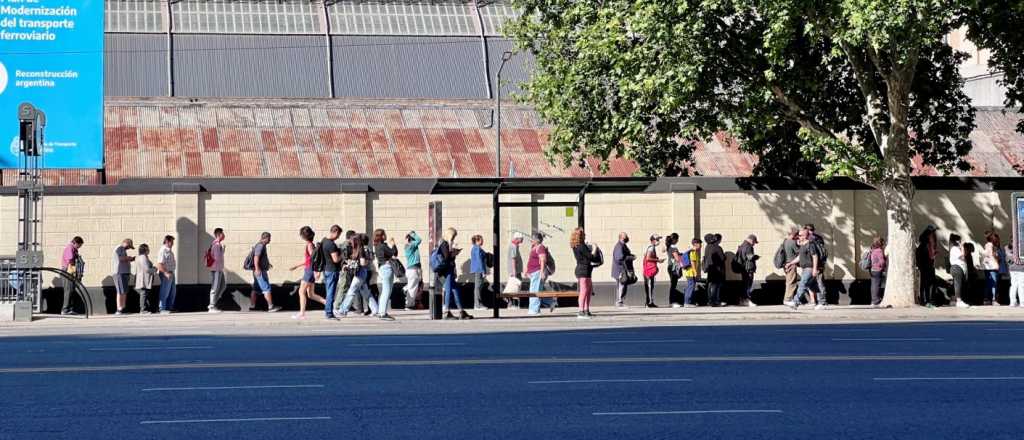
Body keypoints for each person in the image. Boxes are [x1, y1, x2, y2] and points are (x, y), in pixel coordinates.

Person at [338, 233, 379, 318]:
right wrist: (349, 265)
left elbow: (363, 263)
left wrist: (353, 264)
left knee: (351, 291)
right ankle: (375, 310)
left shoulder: (361, 250)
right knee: (366, 293)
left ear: (356, 241)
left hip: (360, 273)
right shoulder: (356, 250)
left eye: (352, 241)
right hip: (360, 273)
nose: (350, 242)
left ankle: (343, 310)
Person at [291, 226, 325, 320]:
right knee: (311, 294)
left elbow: (314, 260)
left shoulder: (309, 245)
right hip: (310, 270)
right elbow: (309, 260)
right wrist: (296, 266)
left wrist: (316, 272)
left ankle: (302, 314)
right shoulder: (311, 244)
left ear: (303, 236)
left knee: (301, 291)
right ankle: (329, 304)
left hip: (309, 271)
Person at [438, 228, 472, 320]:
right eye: (453, 236)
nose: (454, 238)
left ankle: (461, 311)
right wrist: (454, 253)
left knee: (456, 289)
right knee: (448, 289)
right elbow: (446, 258)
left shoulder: (446, 244)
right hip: (447, 270)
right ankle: (446, 312)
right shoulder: (444, 243)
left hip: (450, 269)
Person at [571, 228, 601, 319]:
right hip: (583, 270)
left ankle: (586, 310)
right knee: (584, 291)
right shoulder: (581, 246)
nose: (585, 235)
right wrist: (595, 248)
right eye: (583, 234)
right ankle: (581, 311)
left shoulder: (576, 245)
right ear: (580, 235)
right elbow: (590, 257)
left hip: (584, 269)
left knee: (588, 291)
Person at [789, 229, 821, 310]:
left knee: (802, 284)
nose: (798, 237)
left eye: (800, 235)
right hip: (804, 269)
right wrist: (791, 263)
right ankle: (820, 302)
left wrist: (814, 269)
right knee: (812, 286)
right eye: (798, 235)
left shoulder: (810, 245)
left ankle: (795, 302)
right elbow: (799, 257)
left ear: (805, 236)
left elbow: (815, 256)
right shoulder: (803, 245)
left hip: (809, 268)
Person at [250, 232, 281, 313]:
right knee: (266, 288)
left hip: (259, 270)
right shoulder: (260, 245)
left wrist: (267, 264)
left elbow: (260, 258)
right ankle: (271, 307)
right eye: (269, 238)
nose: (270, 240)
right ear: (266, 238)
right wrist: (257, 269)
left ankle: (252, 306)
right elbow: (256, 257)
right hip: (260, 271)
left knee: (256, 289)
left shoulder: (260, 245)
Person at [372, 229, 399, 320]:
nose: (386, 236)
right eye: (384, 234)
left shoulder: (377, 246)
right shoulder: (382, 246)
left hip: (382, 268)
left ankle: (381, 311)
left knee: (385, 291)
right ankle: (382, 313)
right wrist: (393, 244)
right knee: (387, 291)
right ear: (381, 236)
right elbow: (394, 253)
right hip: (386, 268)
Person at [526, 232, 555, 315]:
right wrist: (527, 270)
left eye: (532, 239)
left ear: (537, 240)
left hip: (538, 271)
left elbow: (543, 260)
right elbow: (530, 260)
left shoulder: (540, 247)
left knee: (535, 290)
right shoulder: (534, 247)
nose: (531, 240)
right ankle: (549, 302)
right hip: (533, 272)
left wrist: (542, 272)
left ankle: (534, 310)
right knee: (535, 290)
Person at [321, 225, 344, 319]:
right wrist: (342, 254)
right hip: (332, 270)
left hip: (326, 269)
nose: (338, 237)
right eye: (338, 234)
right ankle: (329, 312)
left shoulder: (323, 241)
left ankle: (328, 311)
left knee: (328, 291)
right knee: (331, 292)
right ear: (335, 232)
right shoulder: (331, 244)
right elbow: (336, 259)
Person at [333, 230, 357, 315]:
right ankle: (337, 306)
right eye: (354, 237)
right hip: (346, 269)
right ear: (350, 237)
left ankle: (343, 305)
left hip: (345, 269)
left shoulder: (344, 245)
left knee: (345, 287)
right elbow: (345, 258)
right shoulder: (346, 246)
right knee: (343, 288)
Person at [60, 236, 84, 315]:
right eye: (79, 245)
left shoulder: (74, 249)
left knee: (72, 290)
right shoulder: (70, 248)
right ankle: (65, 309)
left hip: (71, 271)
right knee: (68, 290)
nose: (79, 247)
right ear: (76, 243)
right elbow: (70, 260)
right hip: (68, 271)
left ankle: (70, 308)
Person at [915, 225, 938, 307]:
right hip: (927, 267)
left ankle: (925, 299)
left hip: (925, 266)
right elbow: (929, 257)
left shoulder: (922, 246)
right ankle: (926, 300)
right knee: (927, 284)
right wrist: (933, 256)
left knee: (925, 283)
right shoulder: (926, 246)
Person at [112, 238, 136, 315]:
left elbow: (123, 258)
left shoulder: (123, 249)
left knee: (124, 291)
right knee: (120, 291)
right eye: (129, 246)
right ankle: (119, 308)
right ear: (126, 243)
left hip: (124, 272)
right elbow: (121, 258)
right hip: (119, 273)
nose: (128, 248)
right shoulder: (119, 248)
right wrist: (129, 258)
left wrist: (129, 259)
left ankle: (123, 307)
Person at [611, 232, 635, 308]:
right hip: (620, 270)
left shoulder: (623, 245)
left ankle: (620, 301)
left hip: (623, 269)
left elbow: (624, 255)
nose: (627, 237)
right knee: (621, 285)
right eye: (626, 236)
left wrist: (631, 256)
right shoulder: (619, 246)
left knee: (623, 285)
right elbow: (619, 258)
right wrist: (630, 257)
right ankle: (619, 302)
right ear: (621, 237)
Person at [642, 234, 665, 308]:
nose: (659, 241)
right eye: (657, 239)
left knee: (650, 286)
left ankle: (650, 302)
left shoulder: (652, 248)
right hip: (648, 270)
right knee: (649, 286)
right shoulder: (651, 248)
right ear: (653, 240)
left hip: (649, 270)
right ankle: (649, 303)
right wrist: (658, 260)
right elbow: (648, 258)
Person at [702, 233, 725, 306]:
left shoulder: (707, 247)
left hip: (709, 268)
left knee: (710, 285)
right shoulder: (717, 247)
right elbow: (722, 258)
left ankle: (709, 301)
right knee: (716, 285)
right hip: (717, 269)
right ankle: (715, 301)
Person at [156, 235, 177, 314]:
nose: (173, 243)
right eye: (172, 241)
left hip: (171, 272)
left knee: (172, 292)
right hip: (166, 273)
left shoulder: (169, 251)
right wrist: (165, 273)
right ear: (167, 242)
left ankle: (169, 307)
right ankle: (162, 308)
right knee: (165, 291)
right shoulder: (163, 251)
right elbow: (159, 264)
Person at [207, 228, 226, 313]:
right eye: (222, 233)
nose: (224, 235)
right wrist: (222, 250)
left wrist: (223, 250)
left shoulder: (217, 244)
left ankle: (214, 303)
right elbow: (217, 258)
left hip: (219, 269)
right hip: (216, 269)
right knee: (215, 287)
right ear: (219, 234)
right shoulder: (216, 244)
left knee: (222, 286)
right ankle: (211, 306)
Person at [736, 234, 759, 307]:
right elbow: (749, 256)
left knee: (744, 284)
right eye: (754, 242)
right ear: (751, 240)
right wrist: (755, 257)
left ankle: (742, 301)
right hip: (748, 268)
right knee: (747, 285)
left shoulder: (742, 245)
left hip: (743, 268)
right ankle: (747, 300)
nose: (754, 244)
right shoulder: (748, 246)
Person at [949, 234, 970, 308]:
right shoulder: (955, 248)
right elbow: (963, 256)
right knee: (958, 284)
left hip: (958, 268)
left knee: (956, 284)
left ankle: (954, 300)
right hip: (957, 268)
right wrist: (962, 247)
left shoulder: (955, 248)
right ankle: (959, 301)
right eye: (960, 240)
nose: (961, 242)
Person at [134, 244, 157, 314]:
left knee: (145, 294)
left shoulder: (142, 257)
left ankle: (145, 308)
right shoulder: (143, 257)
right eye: (148, 249)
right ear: (145, 250)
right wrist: (154, 269)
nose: (149, 250)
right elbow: (146, 269)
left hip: (144, 279)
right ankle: (143, 309)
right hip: (143, 279)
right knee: (143, 294)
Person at [403, 231, 423, 310]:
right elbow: (419, 240)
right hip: (413, 269)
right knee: (412, 288)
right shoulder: (410, 246)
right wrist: (413, 234)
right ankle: (409, 305)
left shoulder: (411, 246)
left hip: (414, 269)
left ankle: (405, 289)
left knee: (413, 286)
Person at [982, 231, 1002, 305]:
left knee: (988, 283)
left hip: (987, 267)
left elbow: (987, 255)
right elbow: (992, 255)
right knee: (994, 284)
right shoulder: (991, 245)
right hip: (993, 266)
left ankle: (986, 299)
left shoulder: (986, 245)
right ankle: (994, 300)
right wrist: (997, 262)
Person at [782, 228, 800, 307]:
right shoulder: (792, 242)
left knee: (788, 281)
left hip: (785, 264)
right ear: (795, 235)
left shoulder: (785, 241)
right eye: (797, 236)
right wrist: (799, 244)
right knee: (792, 282)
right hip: (791, 264)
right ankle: (788, 299)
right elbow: (799, 252)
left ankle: (788, 298)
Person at [470, 234, 489, 310]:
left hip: (477, 269)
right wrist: (483, 271)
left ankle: (477, 304)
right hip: (479, 269)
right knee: (478, 287)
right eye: (481, 239)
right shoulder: (477, 248)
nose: (483, 241)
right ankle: (478, 305)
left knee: (478, 287)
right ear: (477, 241)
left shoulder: (475, 248)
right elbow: (479, 260)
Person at [682, 238, 702, 307]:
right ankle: (687, 302)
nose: (701, 245)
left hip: (689, 272)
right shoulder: (693, 252)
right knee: (691, 286)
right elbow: (692, 262)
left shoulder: (693, 251)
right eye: (700, 244)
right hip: (691, 272)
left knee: (690, 286)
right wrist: (695, 272)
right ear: (695, 244)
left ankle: (689, 302)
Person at [868, 237, 888, 307]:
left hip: (872, 269)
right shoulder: (879, 250)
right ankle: (876, 301)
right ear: (880, 243)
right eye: (883, 242)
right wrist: (884, 266)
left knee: (873, 285)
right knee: (877, 285)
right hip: (878, 269)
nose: (884, 243)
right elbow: (882, 261)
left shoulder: (872, 249)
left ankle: (873, 300)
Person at [666, 233, 684, 307]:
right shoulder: (674, 248)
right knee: (673, 285)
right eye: (677, 239)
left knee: (673, 285)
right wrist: (683, 265)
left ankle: (672, 301)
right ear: (674, 239)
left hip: (670, 266)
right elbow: (677, 259)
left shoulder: (669, 246)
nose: (678, 240)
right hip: (674, 267)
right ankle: (672, 302)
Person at [1007, 242, 1024, 307]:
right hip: (1021, 269)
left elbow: (1008, 260)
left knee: (1013, 286)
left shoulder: (1008, 249)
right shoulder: (1021, 248)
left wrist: (1012, 264)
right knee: (1021, 286)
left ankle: (1012, 302)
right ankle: (1022, 303)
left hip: (1012, 269)